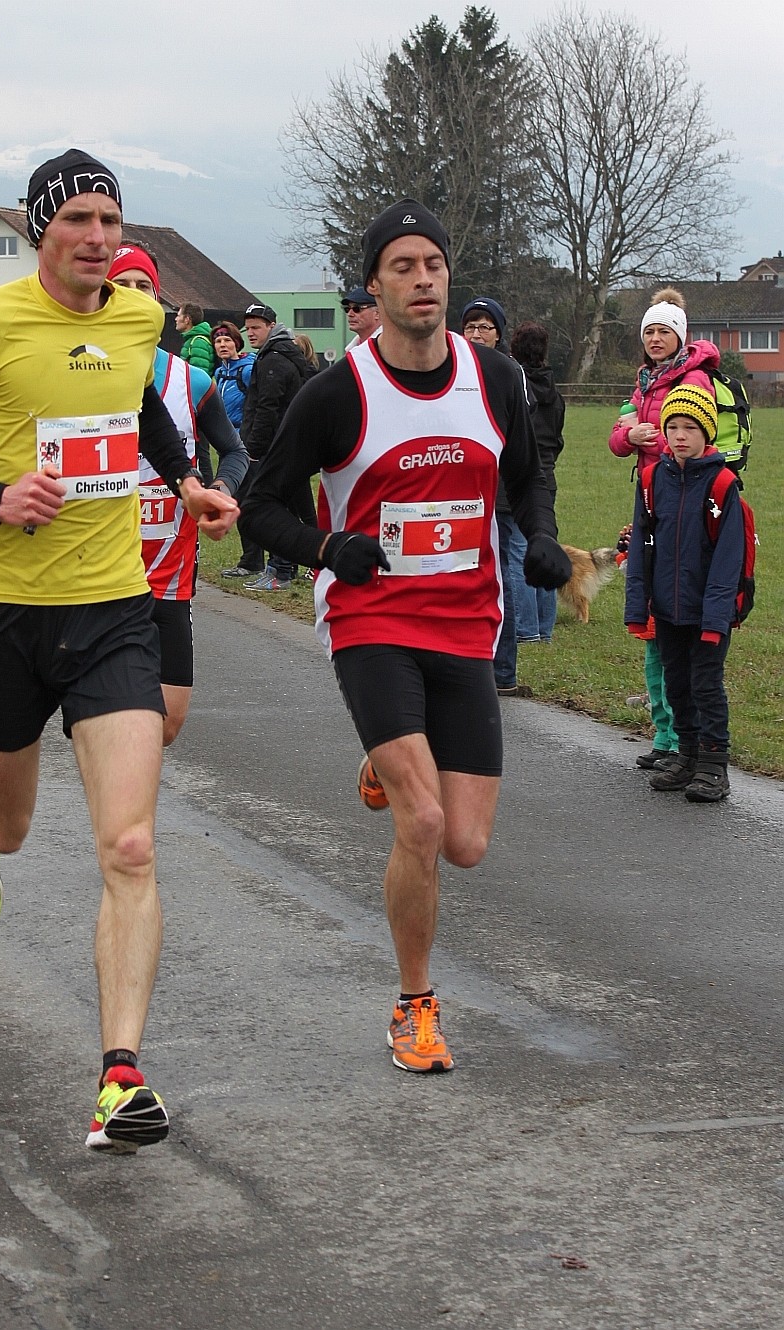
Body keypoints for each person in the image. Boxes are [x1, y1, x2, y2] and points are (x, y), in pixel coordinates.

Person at [0, 148, 239, 1154]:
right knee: (13, 822)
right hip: (3, 618)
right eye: (80, 222)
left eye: (113, 222)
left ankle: (120, 1074)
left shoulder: (131, 318)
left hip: (117, 607)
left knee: (130, 843)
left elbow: (142, 410)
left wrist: (186, 481)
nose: (100, 240)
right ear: (42, 231)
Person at [240, 199, 569, 1073]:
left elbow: (531, 479)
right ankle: (414, 1007)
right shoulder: (337, 391)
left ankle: (389, 754)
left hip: (466, 622)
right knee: (421, 822)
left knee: (466, 844)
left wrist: (537, 536)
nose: (422, 280)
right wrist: (326, 547)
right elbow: (262, 505)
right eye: (403, 268)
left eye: (433, 264)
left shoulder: (495, 380)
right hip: (371, 618)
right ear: (375, 286)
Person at [107, 242, 249, 744]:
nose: (131, 296)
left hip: (168, 577)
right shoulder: (76, 371)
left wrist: (220, 489)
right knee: (106, 723)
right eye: (119, 286)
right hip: (94, 575)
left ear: (158, 300)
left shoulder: (191, 381)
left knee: (167, 722)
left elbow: (236, 453)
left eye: (142, 287)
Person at [609, 287, 718, 770]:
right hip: (652, 495)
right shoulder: (645, 381)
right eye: (648, 331)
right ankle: (664, 735)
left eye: (663, 331)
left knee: (673, 620)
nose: (655, 338)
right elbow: (618, 436)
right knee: (651, 617)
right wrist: (629, 435)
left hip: (686, 497)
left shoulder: (694, 378)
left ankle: (683, 741)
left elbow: (698, 435)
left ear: (680, 336)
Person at [624, 385, 742, 803]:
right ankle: (687, 754)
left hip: (708, 611)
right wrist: (639, 607)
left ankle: (713, 763)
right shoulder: (653, 479)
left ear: (706, 433)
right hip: (667, 607)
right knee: (676, 683)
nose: (679, 435)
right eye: (671, 426)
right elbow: (640, 545)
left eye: (689, 427)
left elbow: (729, 560)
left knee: (705, 685)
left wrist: (716, 619)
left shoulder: (723, 485)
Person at [460, 298, 532, 693]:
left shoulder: (509, 371)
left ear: (499, 333)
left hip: (499, 495)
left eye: (485, 327)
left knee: (498, 580)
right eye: (471, 326)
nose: (477, 334)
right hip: (459, 493)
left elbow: (523, 433)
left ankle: (502, 671)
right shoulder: (451, 368)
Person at [235, 302, 317, 590]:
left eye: (257, 327)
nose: (251, 333)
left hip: (273, 446)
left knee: (273, 508)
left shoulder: (273, 358)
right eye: (248, 328)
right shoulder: (287, 353)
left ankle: (280, 569)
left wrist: (254, 448)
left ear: (271, 326)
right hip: (289, 443)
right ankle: (295, 564)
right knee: (298, 506)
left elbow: (266, 407)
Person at [510, 322, 566, 644]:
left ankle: (527, 629)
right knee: (544, 546)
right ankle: (545, 628)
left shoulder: (515, 386)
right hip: (549, 475)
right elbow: (557, 436)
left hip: (524, 475)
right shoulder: (554, 391)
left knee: (518, 553)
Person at [211, 320, 254, 429]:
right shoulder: (219, 372)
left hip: (244, 433)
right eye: (218, 341)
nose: (222, 345)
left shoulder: (247, 371)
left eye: (227, 340)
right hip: (226, 432)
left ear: (236, 343)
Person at [175, 302, 216, 375]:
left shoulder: (198, 342)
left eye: (178, 316)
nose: (176, 319)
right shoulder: (193, 339)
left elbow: (199, 375)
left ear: (187, 319)